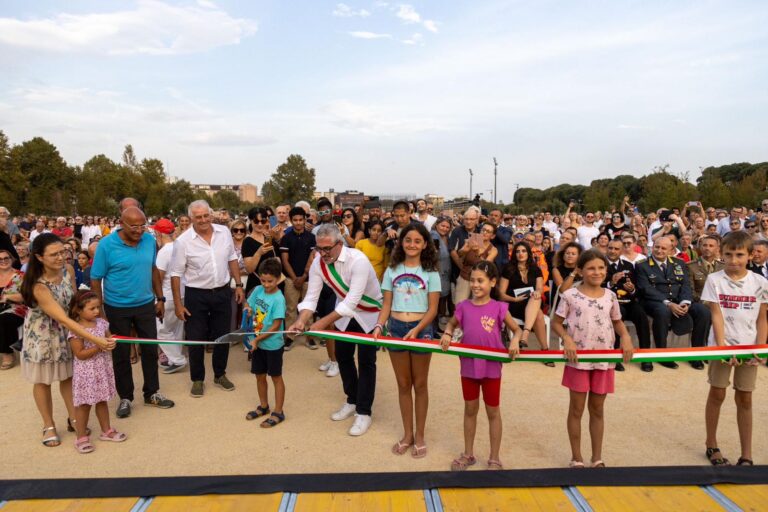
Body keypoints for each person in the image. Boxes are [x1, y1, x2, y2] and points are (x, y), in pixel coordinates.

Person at [288, 224, 383, 437]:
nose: (322, 254)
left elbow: (352, 301)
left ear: (340, 243)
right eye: (318, 249)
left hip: (368, 313)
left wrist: (321, 323)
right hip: (344, 316)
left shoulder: (358, 260)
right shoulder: (318, 264)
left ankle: (364, 411)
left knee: (367, 361)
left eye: (327, 249)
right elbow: (311, 298)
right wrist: (301, 320)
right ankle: (352, 400)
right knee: (343, 357)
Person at [20, 234, 114, 447]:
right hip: (43, 336)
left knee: (68, 376)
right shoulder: (37, 285)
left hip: (69, 333)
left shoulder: (68, 270)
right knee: (43, 381)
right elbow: (61, 317)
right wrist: (96, 339)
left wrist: (95, 319)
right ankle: (48, 425)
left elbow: (73, 304)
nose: (61, 257)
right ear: (39, 257)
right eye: (54, 254)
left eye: (63, 252)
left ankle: (74, 418)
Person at [552, 249, 634, 468]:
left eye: (600, 268)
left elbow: (617, 321)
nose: (596, 272)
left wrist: (625, 337)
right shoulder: (570, 296)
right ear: (580, 270)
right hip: (578, 360)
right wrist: (567, 339)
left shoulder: (610, 296)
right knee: (576, 409)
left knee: (598, 409)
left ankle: (597, 457)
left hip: (603, 359)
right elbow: (556, 322)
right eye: (591, 268)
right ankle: (576, 457)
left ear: (606, 270)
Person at [91, 206, 174, 418]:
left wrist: (160, 298)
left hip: (146, 304)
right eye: (134, 226)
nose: (139, 230)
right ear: (122, 223)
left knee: (149, 350)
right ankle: (125, 397)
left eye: (142, 225)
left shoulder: (148, 241)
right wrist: (98, 310)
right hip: (117, 307)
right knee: (121, 354)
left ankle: (152, 392)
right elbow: (96, 278)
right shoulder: (107, 245)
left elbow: (153, 269)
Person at [440, 261, 522, 471]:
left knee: (493, 411)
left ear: (492, 282)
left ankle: (494, 457)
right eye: (473, 281)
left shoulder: (499, 307)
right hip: (468, 365)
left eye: (481, 281)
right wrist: (448, 334)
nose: (475, 285)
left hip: (492, 367)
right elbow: (451, 323)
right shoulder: (463, 306)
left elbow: (517, 330)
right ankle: (468, 454)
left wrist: (514, 340)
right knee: (470, 409)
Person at [374, 224, 440, 458]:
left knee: (420, 384)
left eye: (417, 241)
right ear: (401, 243)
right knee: (403, 384)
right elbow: (386, 305)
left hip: (421, 330)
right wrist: (380, 325)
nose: (412, 244)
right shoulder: (392, 270)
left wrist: (418, 329)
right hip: (397, 328)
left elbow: (433, 309)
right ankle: (407, 434)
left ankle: (420, 435)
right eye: (408, 240)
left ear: (424, 245)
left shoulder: (431, 272)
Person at [702, 231, 768, 466]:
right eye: (728, 254)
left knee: (745, 398)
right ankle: (712, 444)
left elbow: (762, 318)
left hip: (749, 347)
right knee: (717, 393)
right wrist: (722, 348)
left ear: (750, 255)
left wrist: (760, 348)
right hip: (721, 346)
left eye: (740, 254)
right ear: (721, 254)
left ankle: (746, 454)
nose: (734, 260)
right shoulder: (715, 280)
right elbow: (716, 315)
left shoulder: (760, 283)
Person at [170, 200, 245, 397]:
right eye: (198, 217)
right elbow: (176, 274)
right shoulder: (183, 241)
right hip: (196, 295)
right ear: (191, 219)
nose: (203, 220)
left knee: (222, 335)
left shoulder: (224, 232)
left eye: (206, 216)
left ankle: (220, 374)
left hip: (222, 292)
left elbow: (232, 259)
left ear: (210, 214)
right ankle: (197, 379)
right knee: (195, 338)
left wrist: (238, 285)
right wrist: (178, 304)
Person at [635, 236, 710, 371]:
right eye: (656, 247)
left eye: (664, 248)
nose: (659, 250)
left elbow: (685, 284)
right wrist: (668, 304)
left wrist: (685, 302)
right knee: (662, 311)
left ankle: (696, 354)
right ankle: (662, 354)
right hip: (654, 301)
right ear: (652, 247)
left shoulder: (679, 263)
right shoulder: (642, 265)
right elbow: (646, 289)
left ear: (671, 250)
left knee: (703, 311)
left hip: (678, 300)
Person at [67, 290, 126, 453]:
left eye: (98, 307)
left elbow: (109, 339)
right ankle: (81, 437)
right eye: (91, 308)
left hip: (101, 369)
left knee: (102, 400)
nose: (96, 311)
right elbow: (80, 354)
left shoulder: (101, 323)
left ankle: (106, 430)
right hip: (86, 373)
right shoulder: (76, 329)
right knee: (84, 405)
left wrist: (111, 343)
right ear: (78, 310)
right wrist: (99, 346)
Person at [243, 258, 287, 428]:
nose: (266, 284)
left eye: (270, 281)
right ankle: (264, 406)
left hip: (273, 344)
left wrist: (256, 339)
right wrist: (248, 308)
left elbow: (276, 325)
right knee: (259, 375)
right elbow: (249, 303)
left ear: (278, 279)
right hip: (258, 343)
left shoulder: (278, 298)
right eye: (263, 280)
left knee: (276, 377)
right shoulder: (258, 290)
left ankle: (278, 411)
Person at [279, 207, 322, 358]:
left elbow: (313, 258)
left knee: (308, 308)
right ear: (291, 221)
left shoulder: (311, 238)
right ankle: (290, 337)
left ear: (305, 220)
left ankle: (309, 336)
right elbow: (285, 260)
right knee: (290, 309)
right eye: (295, 220)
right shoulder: (286, 238)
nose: (298, 223)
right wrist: (294, 278)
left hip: (309, 279)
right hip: (291, 280)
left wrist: (303, 277)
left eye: (300, 220)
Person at [604, 239, 650, 372]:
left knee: (641, 315)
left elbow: (635, 289)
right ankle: (615, 357)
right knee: (619, 315)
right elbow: (597, 286)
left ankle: (645, 356)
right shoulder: (600, 264)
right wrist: (611, 283)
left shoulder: (629, 265)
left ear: (621, 250)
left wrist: (631, 289)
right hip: (610, 303)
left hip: (628, 301)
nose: (612, 251)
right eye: (610, 248)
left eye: (616, 249)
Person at [498, 242, 548, 352]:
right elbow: (501, 294)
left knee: (536, 299)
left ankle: (525, 332)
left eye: (524, 251)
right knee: (538, 313)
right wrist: (514, 299)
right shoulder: (509, 269)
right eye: (517, 251)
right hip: (514, 304)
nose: (521, 253)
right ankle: (545, 350)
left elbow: (540, 288)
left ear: (528, 253)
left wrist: (537, 292)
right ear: (514, 254)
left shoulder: (535, 269)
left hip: (531, 302)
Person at [153, 218, 187, 374]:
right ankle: (174, 357)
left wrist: (156, 297)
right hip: (182, 292)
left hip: (168, 295)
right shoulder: (180, 246)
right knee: (176, 327)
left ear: (159, 233)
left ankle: (178, 359)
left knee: (160, 329)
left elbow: (158, 277)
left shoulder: (164, 251)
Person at [455, 220, 498, 304]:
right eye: (483, 230)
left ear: (492, 236)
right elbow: (459, 254)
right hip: (465, 277)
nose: (484, 232)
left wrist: (477, 252)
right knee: (459, 304)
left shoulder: (493, 250)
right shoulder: (472, 240)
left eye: (488, 231)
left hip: (480, 281)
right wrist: (464, 250)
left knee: (477, 305)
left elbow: (486, 266)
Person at [449, 206, 481, 304]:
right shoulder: (457, 231)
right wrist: (462, 267)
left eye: (471, 219)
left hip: (477, 272)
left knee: (476, 300)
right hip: (461, 271)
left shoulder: (480, 231)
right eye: (466, 219)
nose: (468, 221)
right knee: (460, 301)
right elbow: (452, 251)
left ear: (477, 220)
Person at [0, 249, 26, 369]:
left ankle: (7, 353)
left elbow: (27, 296)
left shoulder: (21, 276)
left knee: (4, 319)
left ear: (12, 259)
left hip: (17, 308)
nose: (3, 261)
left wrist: (8, 297)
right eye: (0, 259)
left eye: (6, 258)